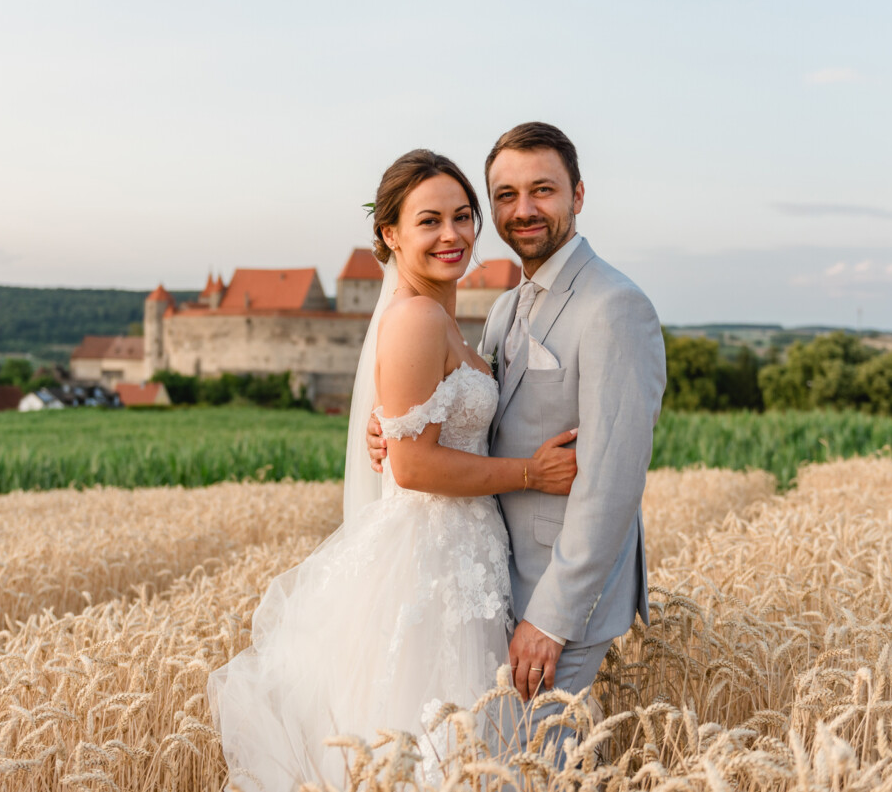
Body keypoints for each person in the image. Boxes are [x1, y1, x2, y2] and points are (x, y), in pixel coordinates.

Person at [207, 148, 579, 791]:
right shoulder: (414, 317)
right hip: (430, 562)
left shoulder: (448, 318)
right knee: (431, 742)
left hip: (466, 556)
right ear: (390, 235)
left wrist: (391, 426)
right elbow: (411, 465)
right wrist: (530, 474)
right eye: (429, 221)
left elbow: (416, 430)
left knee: (456, 743)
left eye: (463, 217)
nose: (452, 235)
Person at [368, 122, 667, 760]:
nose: (522, 210)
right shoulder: (505, 309)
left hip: (557, 597)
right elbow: (475, 414)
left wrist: (551, 619)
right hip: (486, 580)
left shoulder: (615, 306)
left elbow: (612, 483)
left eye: (542, 191)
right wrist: (391, 428)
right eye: (504, 195)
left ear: (578, 195)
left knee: (529, 770)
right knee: (486, 764)